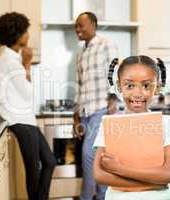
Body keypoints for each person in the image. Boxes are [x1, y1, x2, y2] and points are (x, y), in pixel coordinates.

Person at [92, 55, 170, 200]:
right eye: (130, 85)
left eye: (146, 86)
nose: (138, 93)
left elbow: (168, 175)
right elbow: (99, 175)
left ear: (157, 88)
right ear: (119, 86)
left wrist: (118, 169)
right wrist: (154, 182)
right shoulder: (108, 124)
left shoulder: (166, 123)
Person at [0, 12, 56, 200]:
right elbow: (28, 94)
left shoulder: (12, 58)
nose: (29, 35)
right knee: (34, 170)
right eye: (26, 31)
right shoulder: (10, 61)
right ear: (18, 34)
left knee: (49, 161)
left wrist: (24, 64)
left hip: (26, 120)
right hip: (19, 120)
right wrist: (27, 65)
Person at [73, 11, 118, 200]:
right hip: (85, 110)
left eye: (80, 25)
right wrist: (76, 115)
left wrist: (113, 97)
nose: (77, 30)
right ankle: (103, 196)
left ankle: (86, 197)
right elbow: (78, 84)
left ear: (93, 25)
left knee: (89, 155)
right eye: (75, 26)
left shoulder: (106, 45)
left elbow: (115, 70)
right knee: (98, 156)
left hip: (101, 107)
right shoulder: (81, 52)